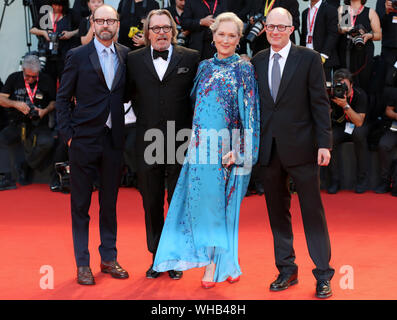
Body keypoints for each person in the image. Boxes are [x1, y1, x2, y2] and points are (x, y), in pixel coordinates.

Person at [152, 12, 260, 288]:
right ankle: (225, 263)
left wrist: (242, 151)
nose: (225, 40)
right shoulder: (203, 68)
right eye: (221, 34)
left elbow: (251, 115)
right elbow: (193, 107)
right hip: (200, 150)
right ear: (212, 36)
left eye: (232, 36)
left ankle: (217, 264)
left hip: (229, 152)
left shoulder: (244, 69)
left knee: (225, 209)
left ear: (239, 40)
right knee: (205, 208)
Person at [251, 8, 334, 298]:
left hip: (303, 147)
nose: (274, 31)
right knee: (277, 214)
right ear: (265, 29)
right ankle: (287, 269)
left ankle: (323, 274)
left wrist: (325, 143)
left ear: (291, 28)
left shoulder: (309, 58)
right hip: (269, 150)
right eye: (270, 26)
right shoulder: (258, 60)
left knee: (312, 212)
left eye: (281, 26)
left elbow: (320, 104)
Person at [56, 4, 130, 285]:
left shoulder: (126, 55)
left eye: (110, 20)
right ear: (92, 23)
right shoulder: (77, 55)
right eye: (100, 20)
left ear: (117, 23)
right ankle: (83, 263)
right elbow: (62, 98)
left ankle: (109, 257)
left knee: (109, 204)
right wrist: (69, 136)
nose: (105, 25)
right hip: (83, 141)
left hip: (113, 141)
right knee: (80, 205)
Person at [126, 9, 200, 280]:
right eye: (155, 28)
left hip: (180, 138)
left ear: (173, 31)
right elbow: (123, 94)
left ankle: (175, 256)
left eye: (166, 28)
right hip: (147, 139)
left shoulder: (191, 58)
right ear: (146, 33)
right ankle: (157, 257)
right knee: (152, 201)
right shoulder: (132, 60)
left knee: (177, 201)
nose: (161, 33)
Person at [0, 55, 56, 190]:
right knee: (2, 138)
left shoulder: (46, 80)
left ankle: (27, 164)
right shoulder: (14, 78)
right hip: (17, 121)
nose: (30, 79)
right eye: (27, 76)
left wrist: (44, 110)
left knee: (48, 142)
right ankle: (6, 177)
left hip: (39, 122)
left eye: (34, 77)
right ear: (22, 69)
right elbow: (1, 99)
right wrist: (16, 104)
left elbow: (55, 102)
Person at [327, 68, 370, 194]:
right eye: (339, 85)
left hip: (358, 126)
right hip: (341, 127)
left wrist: (345, 105)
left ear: (351, 84)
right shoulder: (332, 94)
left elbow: (359, 122)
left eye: (345, 85)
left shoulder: (360, 95)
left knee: (359, 134)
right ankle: (334, 180)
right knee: (329, 138)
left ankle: (362, 179)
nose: (342, 88)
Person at [30, 0, 80, 84]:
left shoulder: (70, 14)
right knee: (48, 82)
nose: (57, 8)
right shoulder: (45, 13)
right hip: (48, 54)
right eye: (55, 5)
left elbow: (82, 28)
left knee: (65, 82)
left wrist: (70, 34)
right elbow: (32, 29)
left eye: (60, 6)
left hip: (65, 55)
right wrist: (44, 32)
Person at [337, 0, 382, 93]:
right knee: (344, 82)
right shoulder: (344, 9)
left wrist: (369, 35)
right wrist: (345, 29)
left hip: (363, 54)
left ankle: (362, 104)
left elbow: (378, 35)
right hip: (346, 52)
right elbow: (340, 29)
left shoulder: (369, 12)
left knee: (363, 85)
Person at [300, 0, 340, 81]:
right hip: (307, 56)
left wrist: (323, 55)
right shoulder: (305, 12)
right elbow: (304, 35)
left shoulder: (330, 9)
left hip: (323, 58)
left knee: (323, 89)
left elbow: (333, 34)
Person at [375, 86, 397, 196]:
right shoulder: (394, 92)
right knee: (383, 145)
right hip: (395, 127)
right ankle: (385, 181)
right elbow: (388, 111)